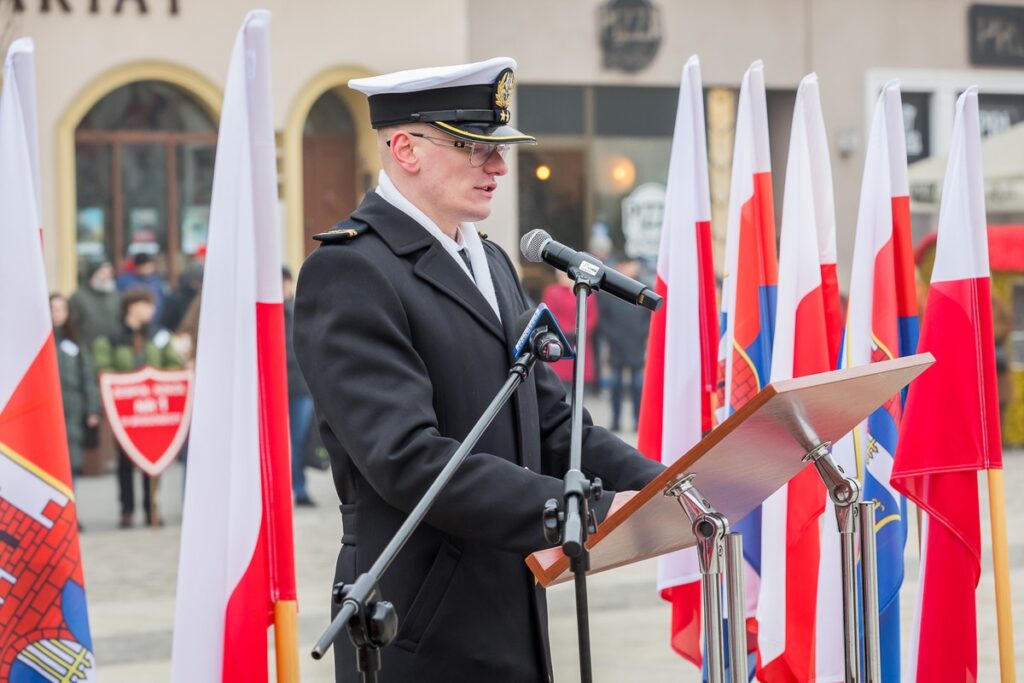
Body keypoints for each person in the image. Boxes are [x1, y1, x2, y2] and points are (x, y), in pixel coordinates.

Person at [293, 58, 664, 683]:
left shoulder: (490, 261)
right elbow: (406, 457)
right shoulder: (352, 270)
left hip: (509, 605)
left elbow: (552, 423)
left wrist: (665, 486)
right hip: (418, 625)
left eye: (498, 149)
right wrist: (568, 506)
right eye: (473, 147)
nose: (498, 166)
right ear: (405, 148)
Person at [93, 287, 182, 528]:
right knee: (124, 462)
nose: (151, 310)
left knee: (152, 460)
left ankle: (151, 506)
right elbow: (104, 369)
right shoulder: (111, 338)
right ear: (132, 307)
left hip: (152, 412)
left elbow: (173, 364)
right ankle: (127, 509)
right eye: (146, 305)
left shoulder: (159, 336)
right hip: (126, 414)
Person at [50, 293, 102, 476]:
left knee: (72, 458)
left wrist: (92, 409)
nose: (56, 314)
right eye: (52, 309)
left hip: (73, 407)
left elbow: (88, 378)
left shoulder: (75, 343)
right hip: (47, 407)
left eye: (61, 309)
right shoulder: (39, 344)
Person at [596, 257, 650, 431]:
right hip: (616, 345)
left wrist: (642, 334)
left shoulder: (645, 290)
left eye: (631, 264)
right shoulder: (610, 290)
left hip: (636, 344)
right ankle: (616, 421)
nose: (627, 268)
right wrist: (611, 335)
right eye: (624, 264)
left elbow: (650, 318)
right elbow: (602, 318)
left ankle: (638, 421)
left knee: (637, 386)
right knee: (615, 385)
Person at [283, 265, 315, 506]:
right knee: (287, 442)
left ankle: (300, 488)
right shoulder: (269, 312)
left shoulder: (298, 308)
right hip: (281, 387)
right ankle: (291, 488)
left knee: (300, 439)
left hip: (301, 386)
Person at [542, 270, 600, 391]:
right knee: (561, 388)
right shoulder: (552, 291)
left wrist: (580, 330)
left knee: (580, 387)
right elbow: (550, 313)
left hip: (580, 343)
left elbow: (592, 317)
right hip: (560, 342)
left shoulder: (586, 293)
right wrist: (566, 330)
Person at [69, 259, 122, 359]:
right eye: (103, 272)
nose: (107, 276)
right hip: (87, 351)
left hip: (112, 351)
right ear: (92, 274)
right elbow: (72, 326)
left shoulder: (116, 296)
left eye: (109, 273)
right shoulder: (78, 297)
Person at [116, 252, 169, 322]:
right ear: (138, 267)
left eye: (151, 266)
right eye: (146, 266)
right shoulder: (125, 281)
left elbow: (162, 299)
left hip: (155, 322)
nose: (150, 269)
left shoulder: (156, 280)